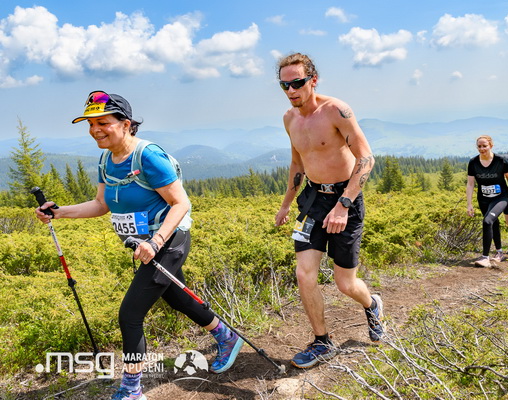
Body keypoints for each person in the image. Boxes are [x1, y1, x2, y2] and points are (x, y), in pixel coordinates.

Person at [35, 91, 243, 400]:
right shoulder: (107, 159)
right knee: (177, 297)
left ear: (126, 124)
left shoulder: (148, 157)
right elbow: (101, 204)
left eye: (102, 122)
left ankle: (131, 390)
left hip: (168, 240)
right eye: (90, 124)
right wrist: (59, 212)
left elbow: (181, 203)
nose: (95, 130)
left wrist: (156, 242)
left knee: (130, 315)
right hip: (144, 245)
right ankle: (227, 337)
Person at [273, 53, 384, 368]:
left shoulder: (336, 110)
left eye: (297, 83)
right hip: (312, 201)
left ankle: (372, 304)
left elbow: (366, 159)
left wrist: (343, 205)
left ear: (313, 80)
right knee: (303, 273)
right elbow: (297, 164)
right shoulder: (289, 119)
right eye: (284, 85)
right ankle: (322, 341)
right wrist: (285, 204)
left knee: (345, 283)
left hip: (345, 198)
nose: (291, 90)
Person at [466, 135, 508, 267]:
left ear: (491, 146)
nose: (482, 149)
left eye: (485, 146)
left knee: (487, 221)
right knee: (493, 223)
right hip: (483, 198)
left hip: (501, 197)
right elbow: (470, 184)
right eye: (479, 146)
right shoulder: (473, 162)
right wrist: (469, 204)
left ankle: (485, 257)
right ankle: (499, 252)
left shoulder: (501, 160)